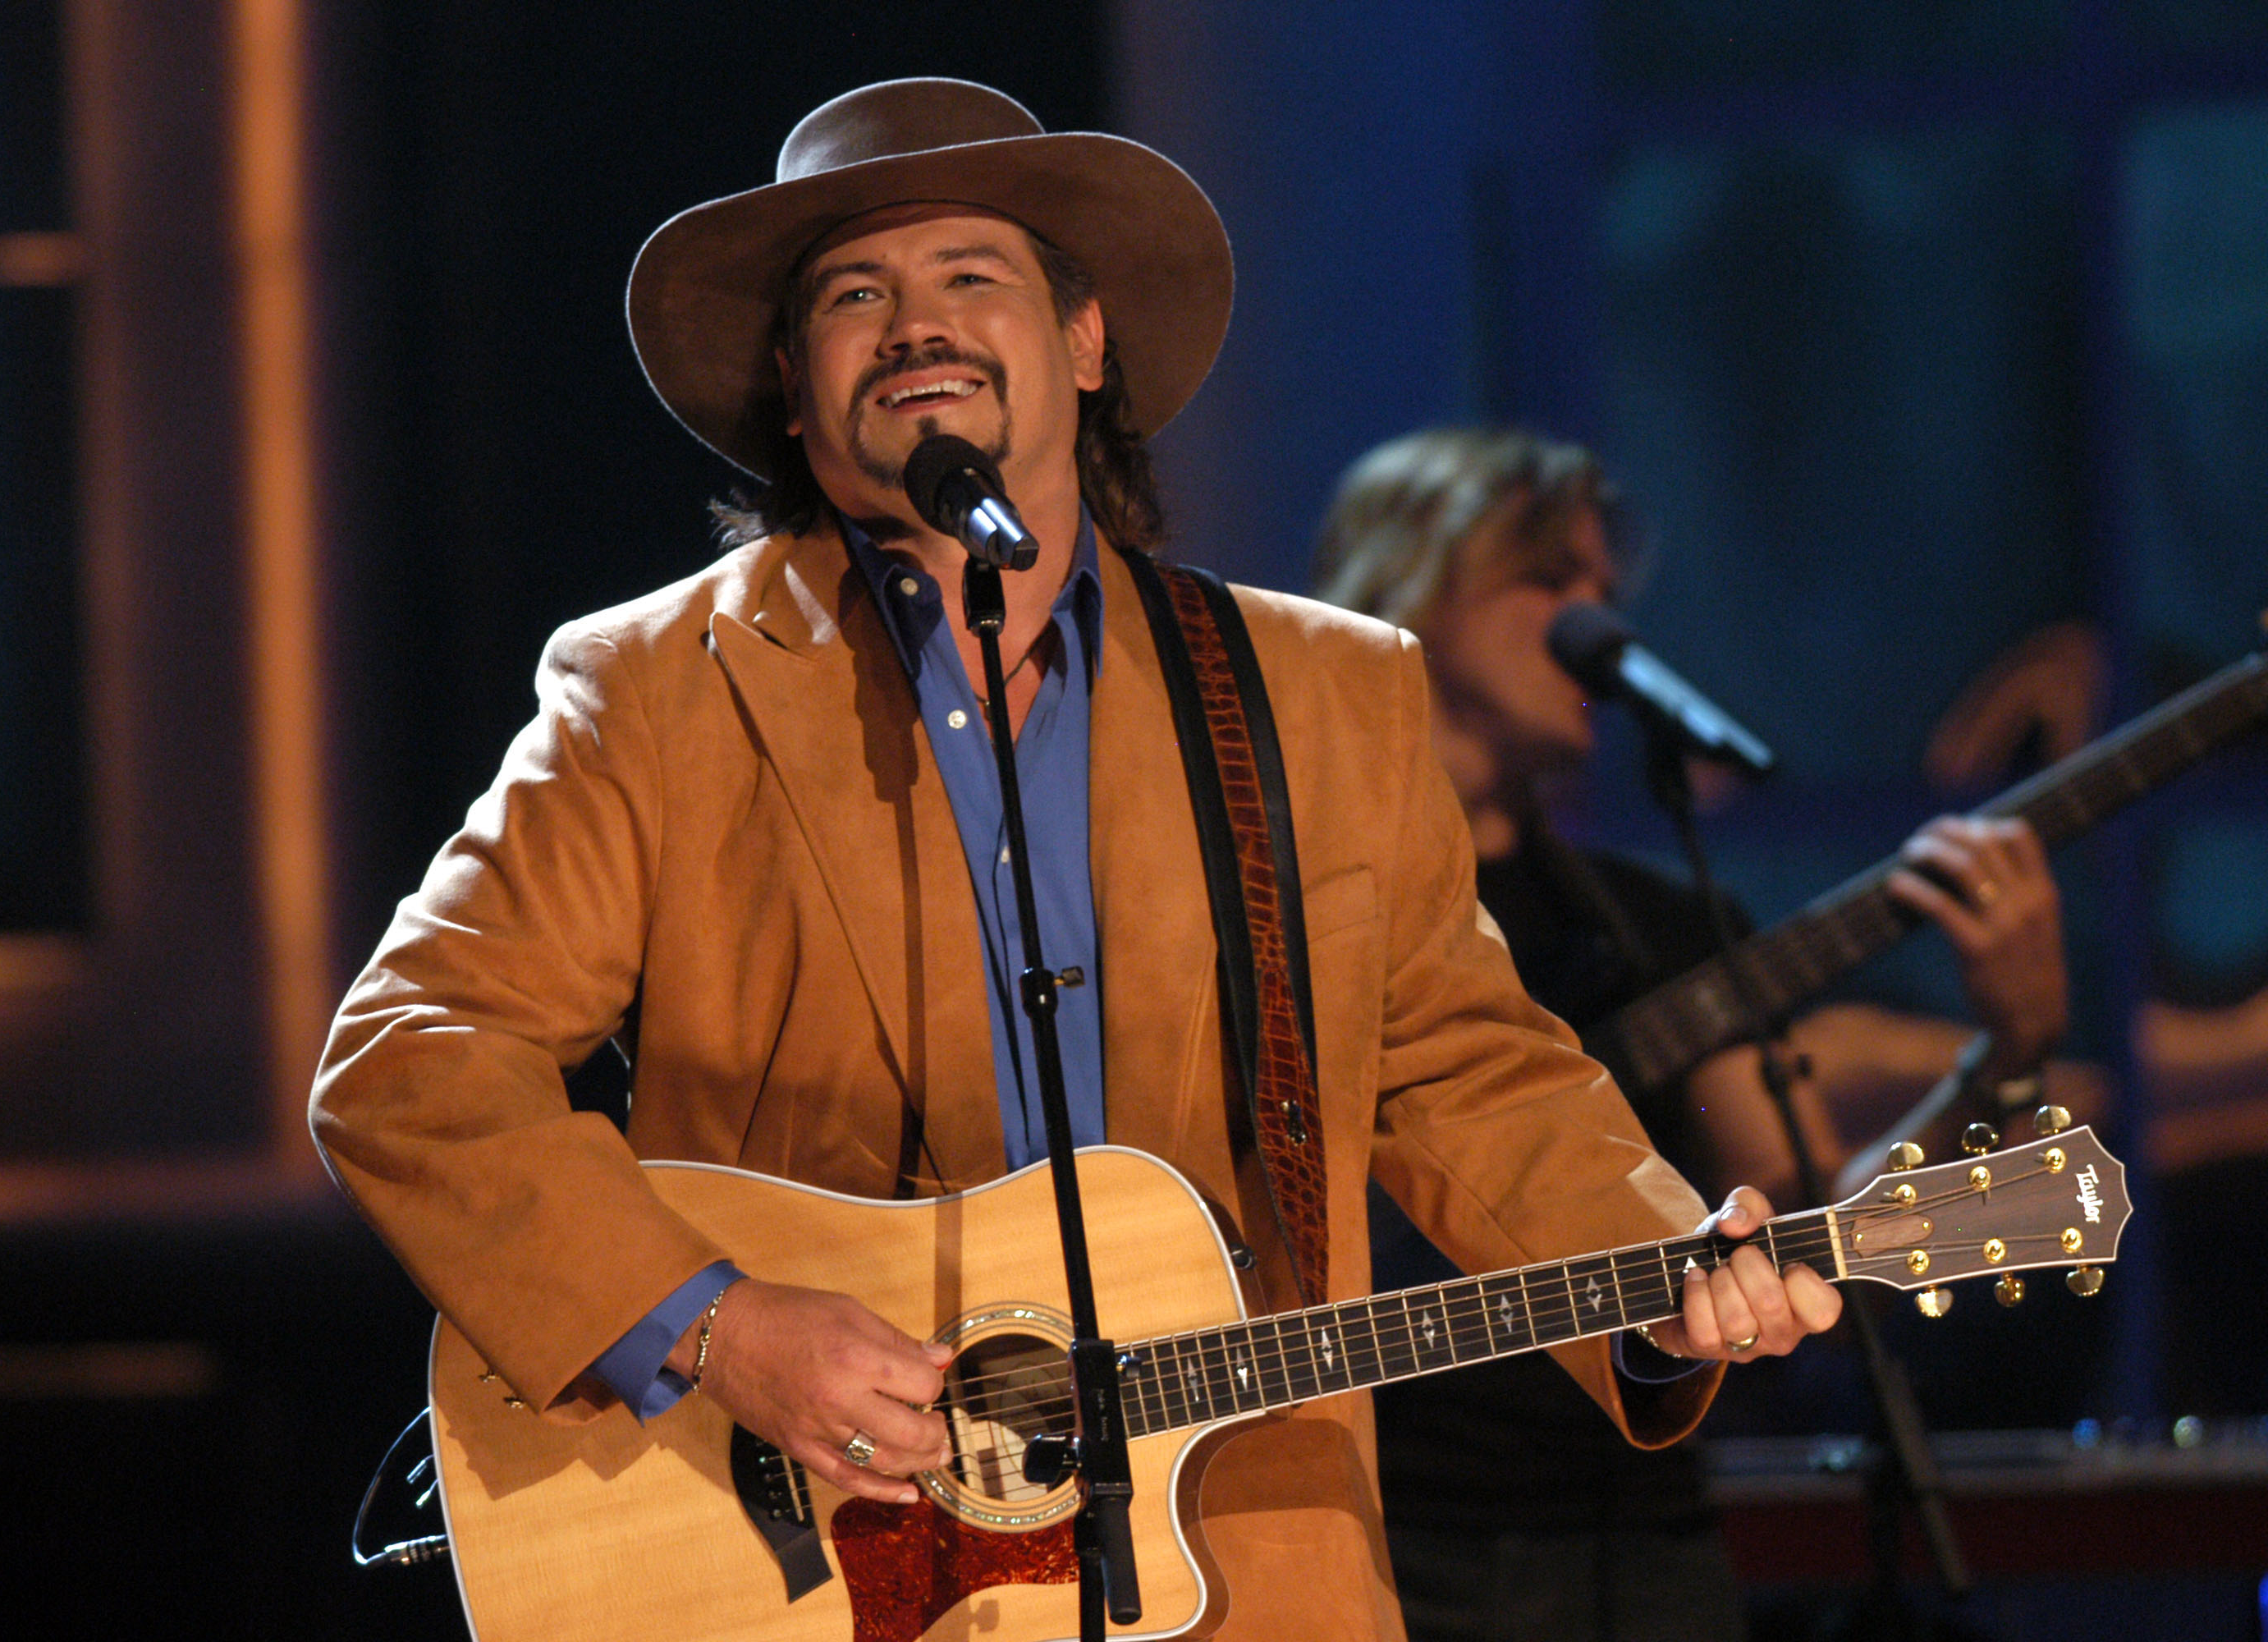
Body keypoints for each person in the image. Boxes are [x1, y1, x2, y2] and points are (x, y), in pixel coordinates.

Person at [310, 84, 1840, 1642]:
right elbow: (411, 1061)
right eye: (856, 293)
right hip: (811, 1561)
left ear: (1087, 342)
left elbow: (1472, 1076)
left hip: (1248, 1551)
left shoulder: (1322, 693)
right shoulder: (654, 689)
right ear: (792, 383)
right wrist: (722, 1329)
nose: (917, 324)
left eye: (973, 275)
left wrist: (1663, 1282)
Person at [1312, 428, 2073, 1642]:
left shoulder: (1660, 921)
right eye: (1546, 580)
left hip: (1647, 1547)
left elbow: (1814, 1231)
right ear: (1407, 587)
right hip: (1380, 1542)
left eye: (1604, 593)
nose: (1591, 622)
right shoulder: (1305, 911)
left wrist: (2009, 1057)